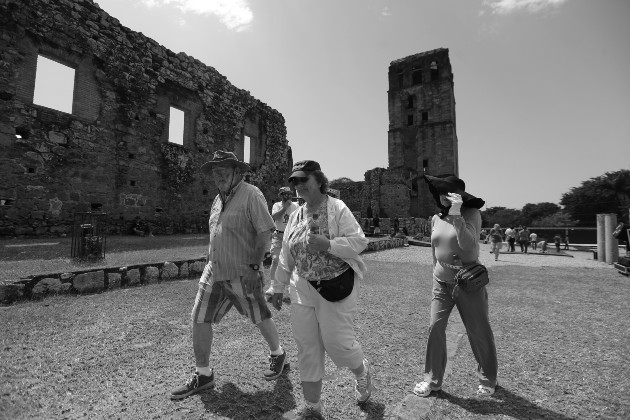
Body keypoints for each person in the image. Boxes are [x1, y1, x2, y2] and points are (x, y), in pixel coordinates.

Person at [170, 150, 287, 401]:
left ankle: (278, 353)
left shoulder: (251, 194)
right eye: (215, 170)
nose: (218, 174)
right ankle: (204, 374)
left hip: (243, 271)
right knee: (200, 317)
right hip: (214, 270)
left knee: (258, 315)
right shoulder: (217, 199)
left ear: (237, 172)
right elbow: (217, 231)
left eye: (223, 169)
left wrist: (255, 268)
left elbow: (265, 232)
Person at [269, 160, 373, 419]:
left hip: (335, 285)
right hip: (302, 287)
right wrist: (278, 286)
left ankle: (361, 371)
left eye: (303, 179)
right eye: (294, 181)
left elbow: (359, 242)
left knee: (338, 344)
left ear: (319, 180)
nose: (298, 185)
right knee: (307, 346)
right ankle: (313, 406)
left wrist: (329, 244)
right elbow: (286, 254)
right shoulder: (295, 214)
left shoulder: (337, 207)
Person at [414, 174, 498, 398]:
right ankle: (432, 380)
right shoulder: (436, 218)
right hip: (441, 282)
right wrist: (434, 271)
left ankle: (488, 377)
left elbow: (469, 247)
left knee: (478, 330)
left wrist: (456, 216)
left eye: (447, 193)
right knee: (435, 328)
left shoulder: (471, 214)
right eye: (440, 193)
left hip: (468, 282)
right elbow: (434, 249)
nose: (442, 197)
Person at [266, 186, 299, 298]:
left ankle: (291, 285)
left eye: (289, 193)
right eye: (285, 194)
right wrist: (284, 208)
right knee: (275, 259)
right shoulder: (277, 205)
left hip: (291, 236)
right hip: (278, 235)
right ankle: (272, 286)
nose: (288, 196)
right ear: (281, 195)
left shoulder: (296, 206)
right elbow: (274, 217)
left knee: (292, 261)